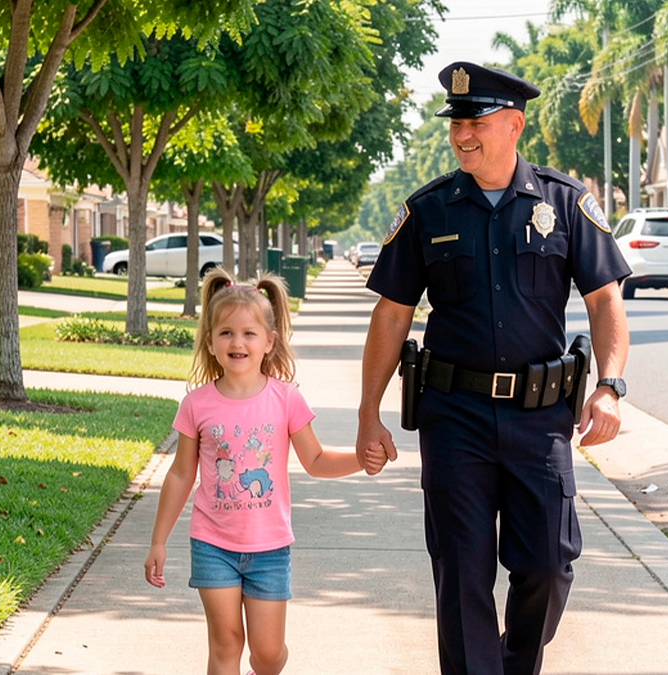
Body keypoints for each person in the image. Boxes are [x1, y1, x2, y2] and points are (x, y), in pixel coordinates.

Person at [356, 61, 632, 675]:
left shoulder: (564, 204)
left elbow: (605, 301)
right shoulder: (428, 211)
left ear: (515, 124)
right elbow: (392, 315)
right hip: (455, 419)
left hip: (541, 421)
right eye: (455, 123)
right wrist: (368, 414)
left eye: (475, 120)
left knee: (548, 566)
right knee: (462, 575)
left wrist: (609, 387)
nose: (461, 134)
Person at [145, 268, 386, 675]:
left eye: (248, 334)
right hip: (212, 543)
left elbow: (315, 460)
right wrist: (158, 541)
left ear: (269, 342)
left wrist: (361, 459)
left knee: (268, 655)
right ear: (210, 341)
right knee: (226, 642)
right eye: (225, 333)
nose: (237, 342)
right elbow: (181, 475)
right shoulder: (196, 405)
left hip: (270, 549)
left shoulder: (286, 399)